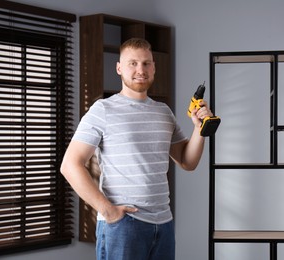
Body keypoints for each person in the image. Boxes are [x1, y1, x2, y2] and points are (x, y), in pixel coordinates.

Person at [60, 38, 214, 260]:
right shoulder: (103, 109)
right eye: (132, 63)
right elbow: (70, 165)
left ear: (154, 67)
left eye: (146, 63)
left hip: (163, 223)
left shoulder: (164, 112)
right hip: (124, 225)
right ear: (119, 68)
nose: (140, 70)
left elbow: (187, 161)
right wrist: (107, 210)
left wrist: (199, 129)